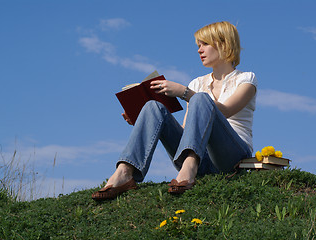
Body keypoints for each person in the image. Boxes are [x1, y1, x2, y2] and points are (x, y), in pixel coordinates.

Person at [92, 21, 257, 200]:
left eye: (205, 44)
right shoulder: (197, 83)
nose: (199, 50)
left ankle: (190, 166)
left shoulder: (246, 79)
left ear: (223, 44)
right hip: (201, 158)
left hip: (231, 157)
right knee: (152, 107)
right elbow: (189, 133)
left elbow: (225, 111)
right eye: (198, 45)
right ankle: (125, 171)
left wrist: (184, 92)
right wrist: (143, 121)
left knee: (200, 98)